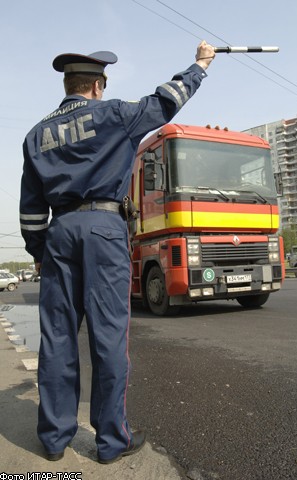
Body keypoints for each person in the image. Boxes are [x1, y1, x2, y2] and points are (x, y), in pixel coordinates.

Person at [19, 40, 215, 464]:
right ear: (96, 85)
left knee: (56, 340)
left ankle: (53, 439)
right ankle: (111, 441)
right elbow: (166, 102)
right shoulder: (114, 115)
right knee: (108, 339)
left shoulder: (35, 136)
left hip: (59, 234)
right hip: (104, 230)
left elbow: (31, 211)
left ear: (69, 84)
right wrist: (200, 65)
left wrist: (40, 251)